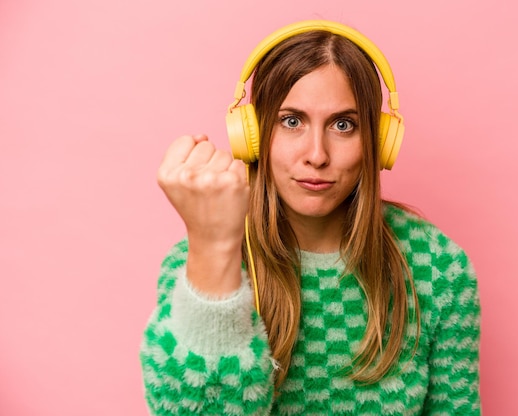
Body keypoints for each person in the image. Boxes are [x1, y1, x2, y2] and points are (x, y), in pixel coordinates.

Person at [140, 20, 481, 415]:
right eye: (292, 121)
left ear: (377, 141)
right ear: (252, 134)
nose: (316, 155)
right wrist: (213, 248)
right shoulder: (195, 269)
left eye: (343, 125)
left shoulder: (439, 269)